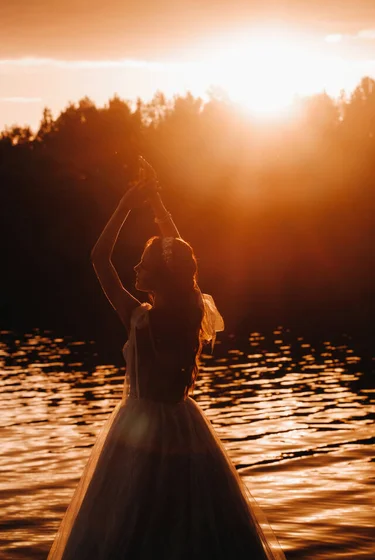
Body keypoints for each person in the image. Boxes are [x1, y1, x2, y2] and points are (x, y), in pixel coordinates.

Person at [47, 159, 286, 560]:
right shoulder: (191, 309)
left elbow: (99, 258)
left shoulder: (138, 318)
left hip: (137, 430)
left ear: (158, 274)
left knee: (132, 527)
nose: (136, 267)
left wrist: (127, 202)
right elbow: (179, 256)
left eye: (144, 263)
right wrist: (156, 201)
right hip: (183, 425)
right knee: (191, 525)